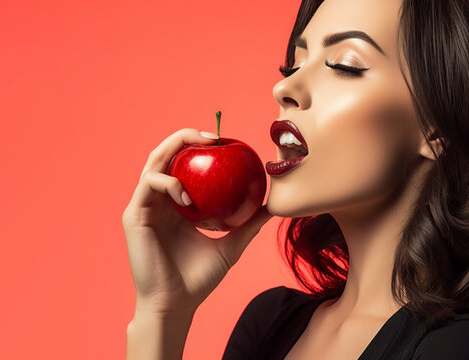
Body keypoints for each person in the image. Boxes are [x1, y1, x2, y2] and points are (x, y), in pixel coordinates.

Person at [122, 0, 469, 359]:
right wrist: (162, 314)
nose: (283, 88)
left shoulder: (454, 346)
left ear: (436, 126)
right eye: (295, 64)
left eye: (344, 65)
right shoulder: (271, 324)